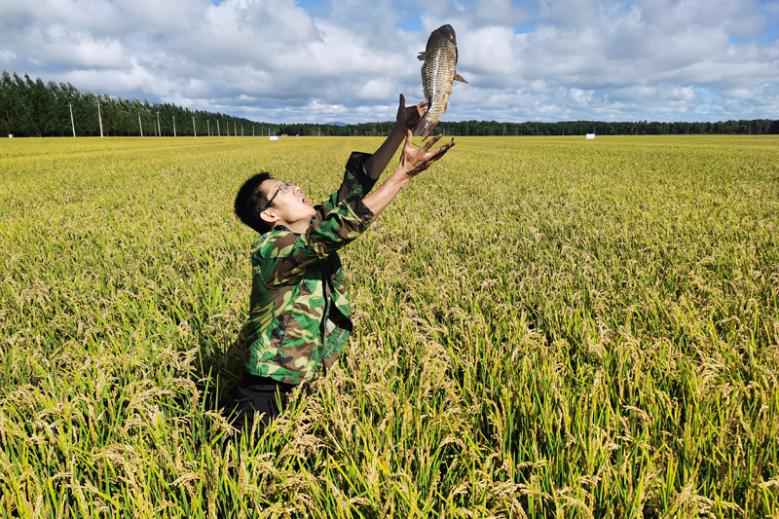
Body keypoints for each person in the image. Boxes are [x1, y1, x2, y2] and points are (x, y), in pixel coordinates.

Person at [227, 94, 454, 436]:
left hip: (305, 378)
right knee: (237, 471)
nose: (296, 187)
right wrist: (403, 176)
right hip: (267, 388)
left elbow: (355, 189)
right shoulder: (270, 249)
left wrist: (399, 130)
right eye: (285, 189)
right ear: (270, 215)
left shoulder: (311, 222)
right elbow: (338, 230)